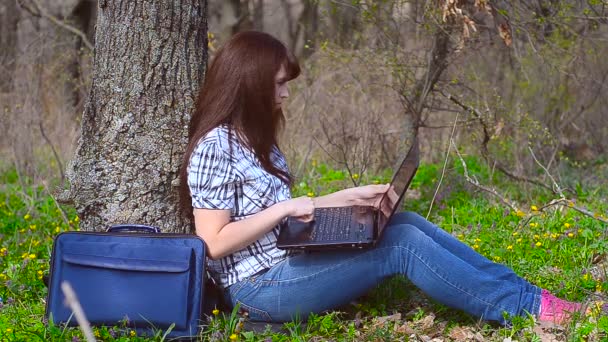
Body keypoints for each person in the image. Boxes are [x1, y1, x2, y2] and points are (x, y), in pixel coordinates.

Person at [179, 31, 594, 325]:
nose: (286, 94)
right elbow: (213, 243)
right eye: (279, 85)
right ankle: (526, 309)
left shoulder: (257, 137)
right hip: (259, 288)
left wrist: (345, 197)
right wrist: (287, 207)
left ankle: (528, 293)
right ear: (250, 86)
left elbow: (275, 213)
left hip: (288, 260)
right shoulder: (217, 146)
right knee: (403, 246)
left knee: (403, 222)